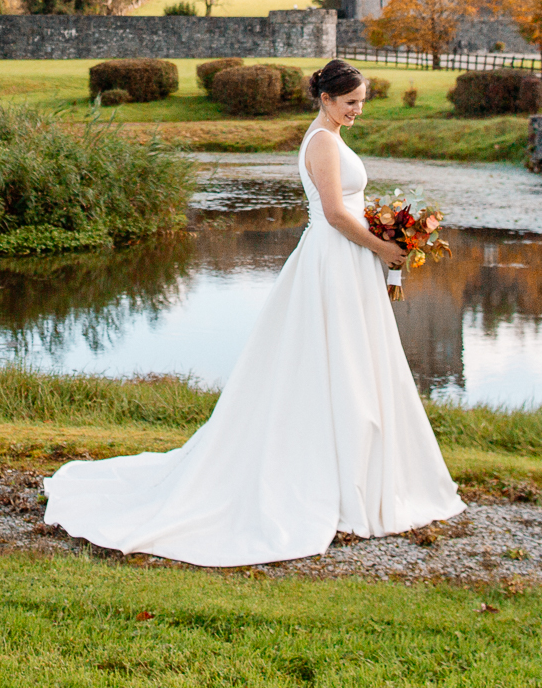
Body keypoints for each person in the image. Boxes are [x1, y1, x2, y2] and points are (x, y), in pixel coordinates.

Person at [41, 58, 463, 566]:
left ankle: (358, 466)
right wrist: (381, 246)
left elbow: (347, 206)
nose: (356, 112)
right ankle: (334, 474)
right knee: (338, 360)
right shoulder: (324, 141)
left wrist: (386, 228)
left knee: (351, 360)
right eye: (350, 103)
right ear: (326, 99)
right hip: (334, 260)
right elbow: (332, 214)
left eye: (361, 104)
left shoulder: (328, 135)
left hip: (345, 261)